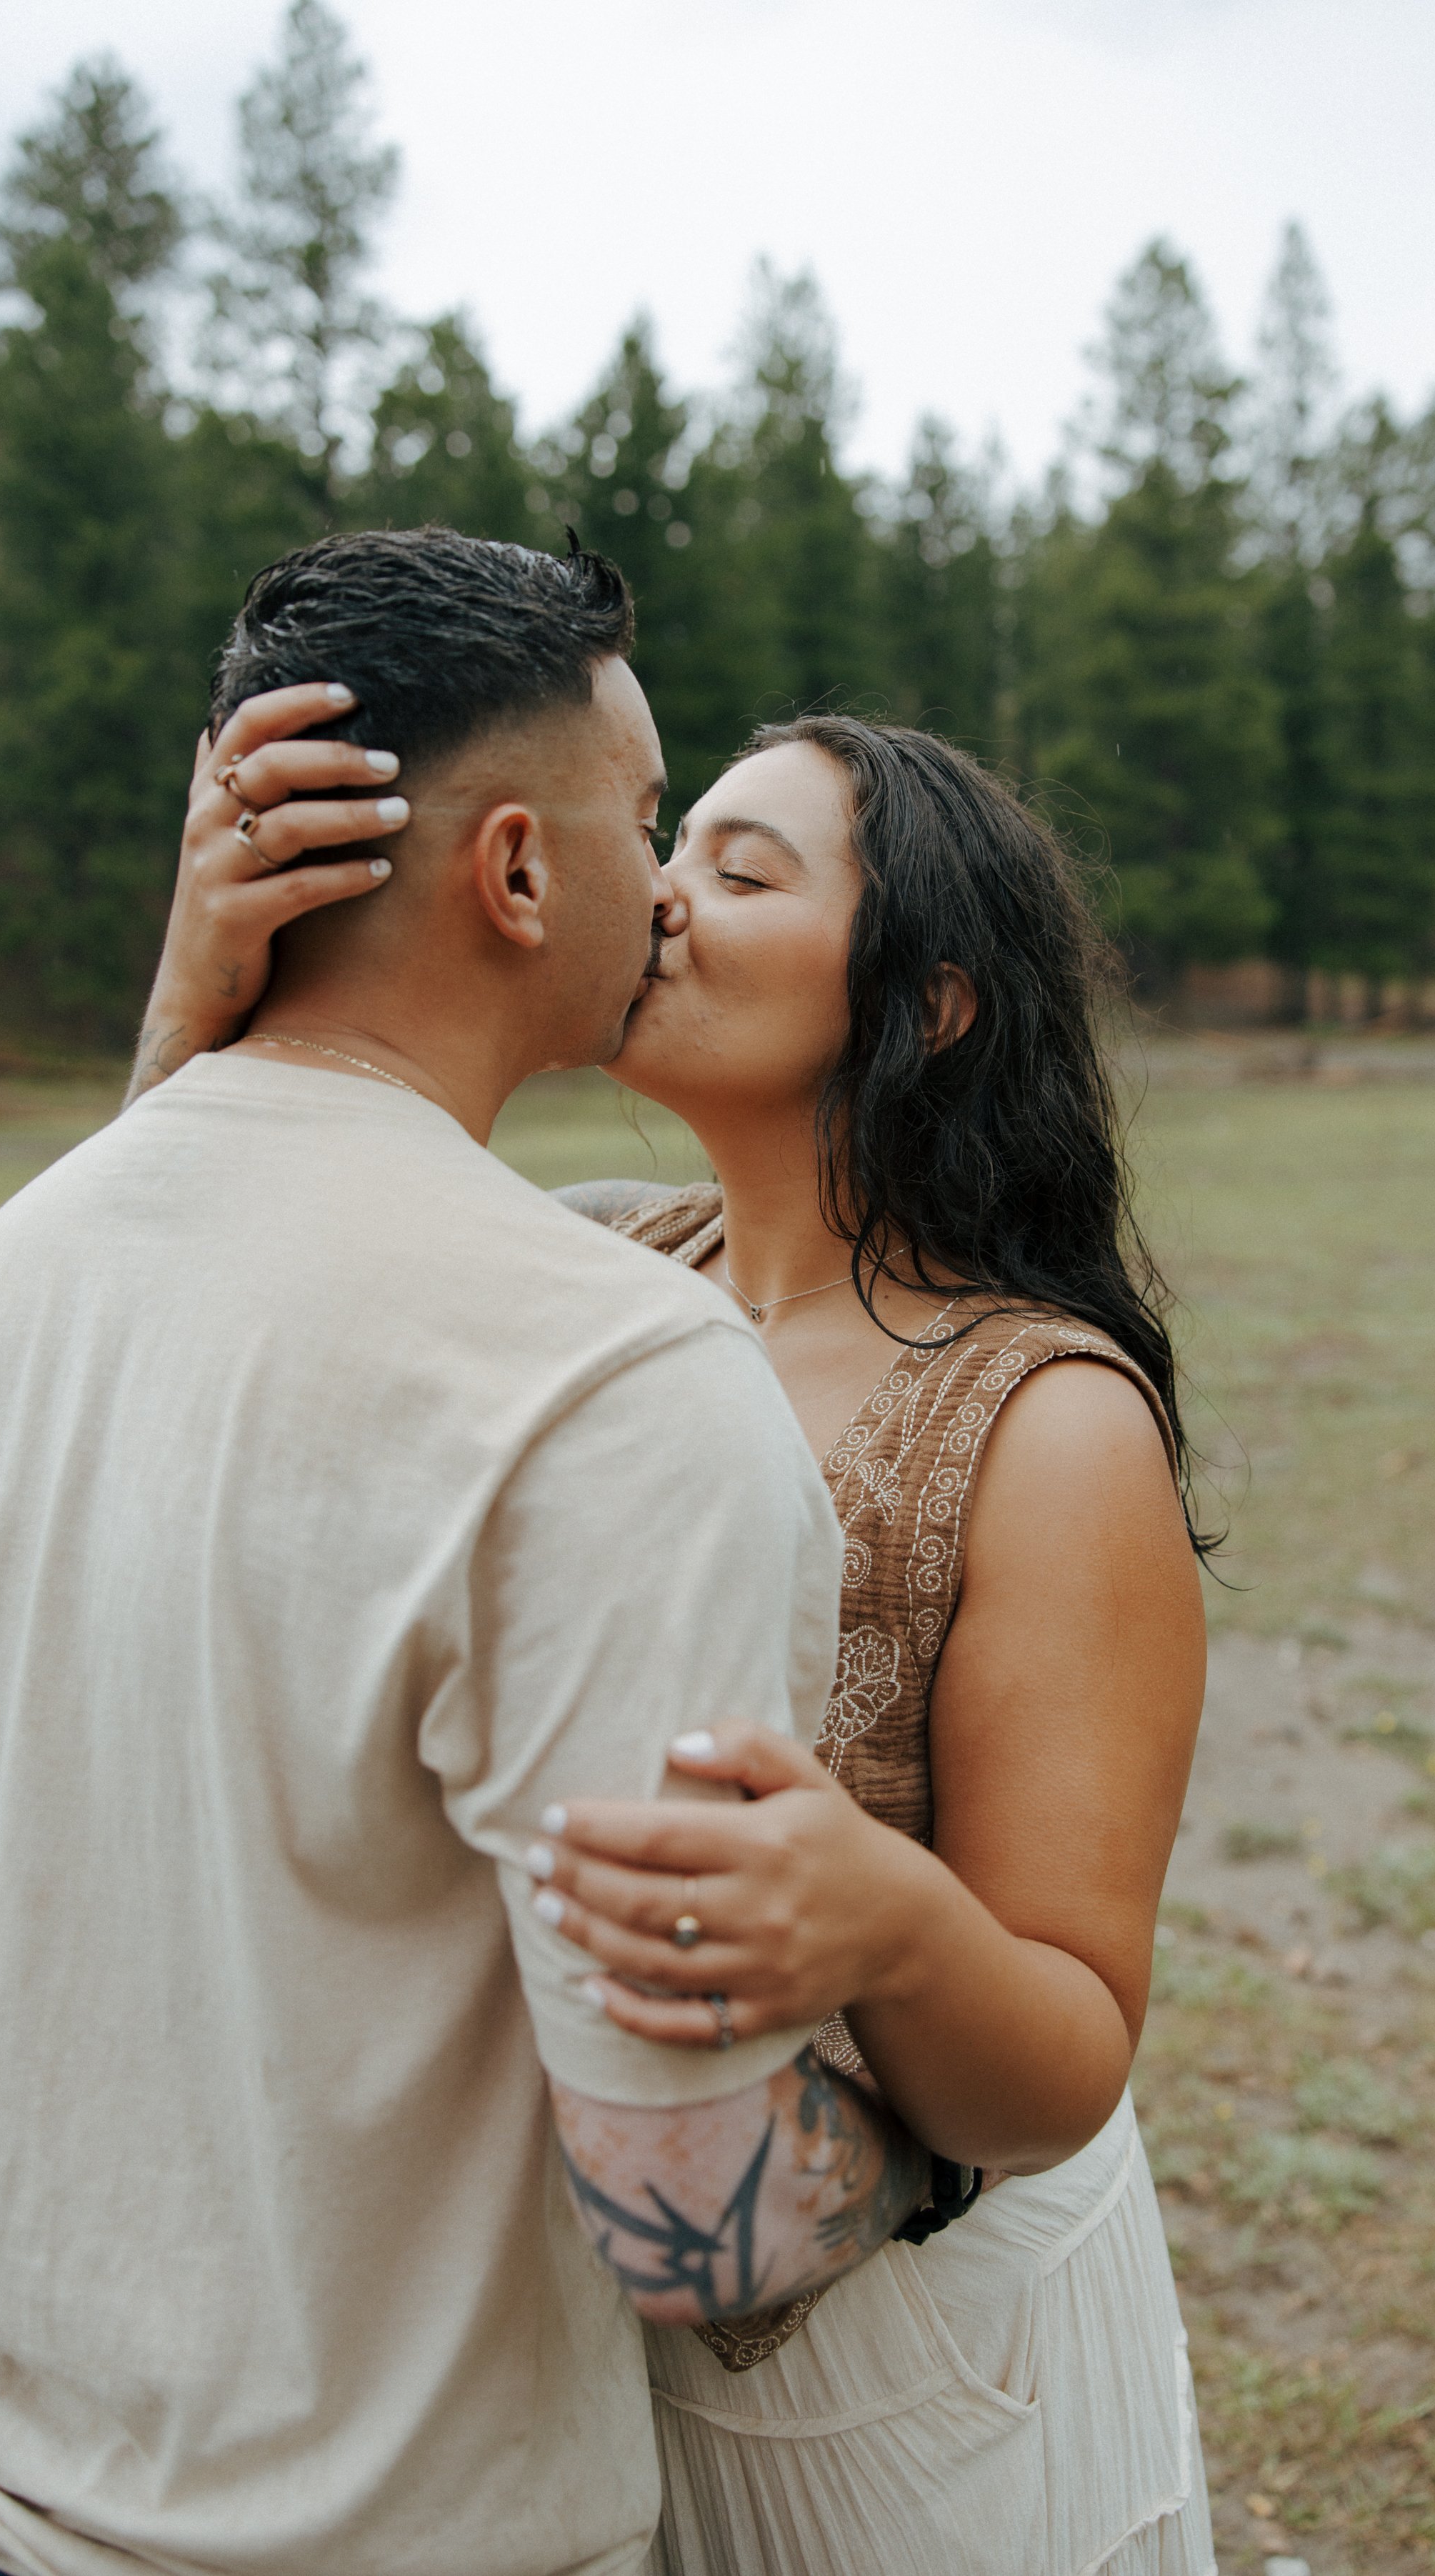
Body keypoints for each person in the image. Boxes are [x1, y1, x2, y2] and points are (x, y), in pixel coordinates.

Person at [0, 530, 930, 2576]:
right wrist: (958, 2145)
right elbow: (690, 2203)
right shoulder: (615, 1387)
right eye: (640, 813)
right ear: (516, 873)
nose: (666, 883)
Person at [134, 683, 1219, 2573]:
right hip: (587, 2344)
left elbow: (1060, 2060)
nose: (658, 899)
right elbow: (190, 1315)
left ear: (931, 1000)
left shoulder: (1046, 1431)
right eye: (669, 845)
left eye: (739, 867)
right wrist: (196, 1007)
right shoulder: (589, 1268)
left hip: (918, 2384)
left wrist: (883, 1916)